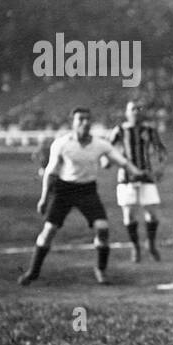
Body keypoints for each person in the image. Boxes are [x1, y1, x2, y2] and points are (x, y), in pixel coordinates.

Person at [19, 108, 144, 286]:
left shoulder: (100, 144)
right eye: (80, 119)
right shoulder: (62, 144)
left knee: (102, 228)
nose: (85, 122)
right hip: (64, 190)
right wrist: (44, 199)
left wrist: (137, 172)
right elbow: (50, 172)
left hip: (87, 191)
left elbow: (122, 161)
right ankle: (33, 271)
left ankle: (101, 270)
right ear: (73, 123)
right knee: (49, 231)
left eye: (87, 119)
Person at [107, 101, 168, 262]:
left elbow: (160, 149)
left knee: (153, 215)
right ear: (126, 112)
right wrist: (107, 161)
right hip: (126, 178)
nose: (136, 112)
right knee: (129, 216)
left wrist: (160, 167)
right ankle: (135, 247)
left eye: (138, 109)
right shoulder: (119, 130)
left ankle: (151, 244)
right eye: (132, 109)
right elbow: (107, 149)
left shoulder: (149, 130)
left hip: (146, 176)